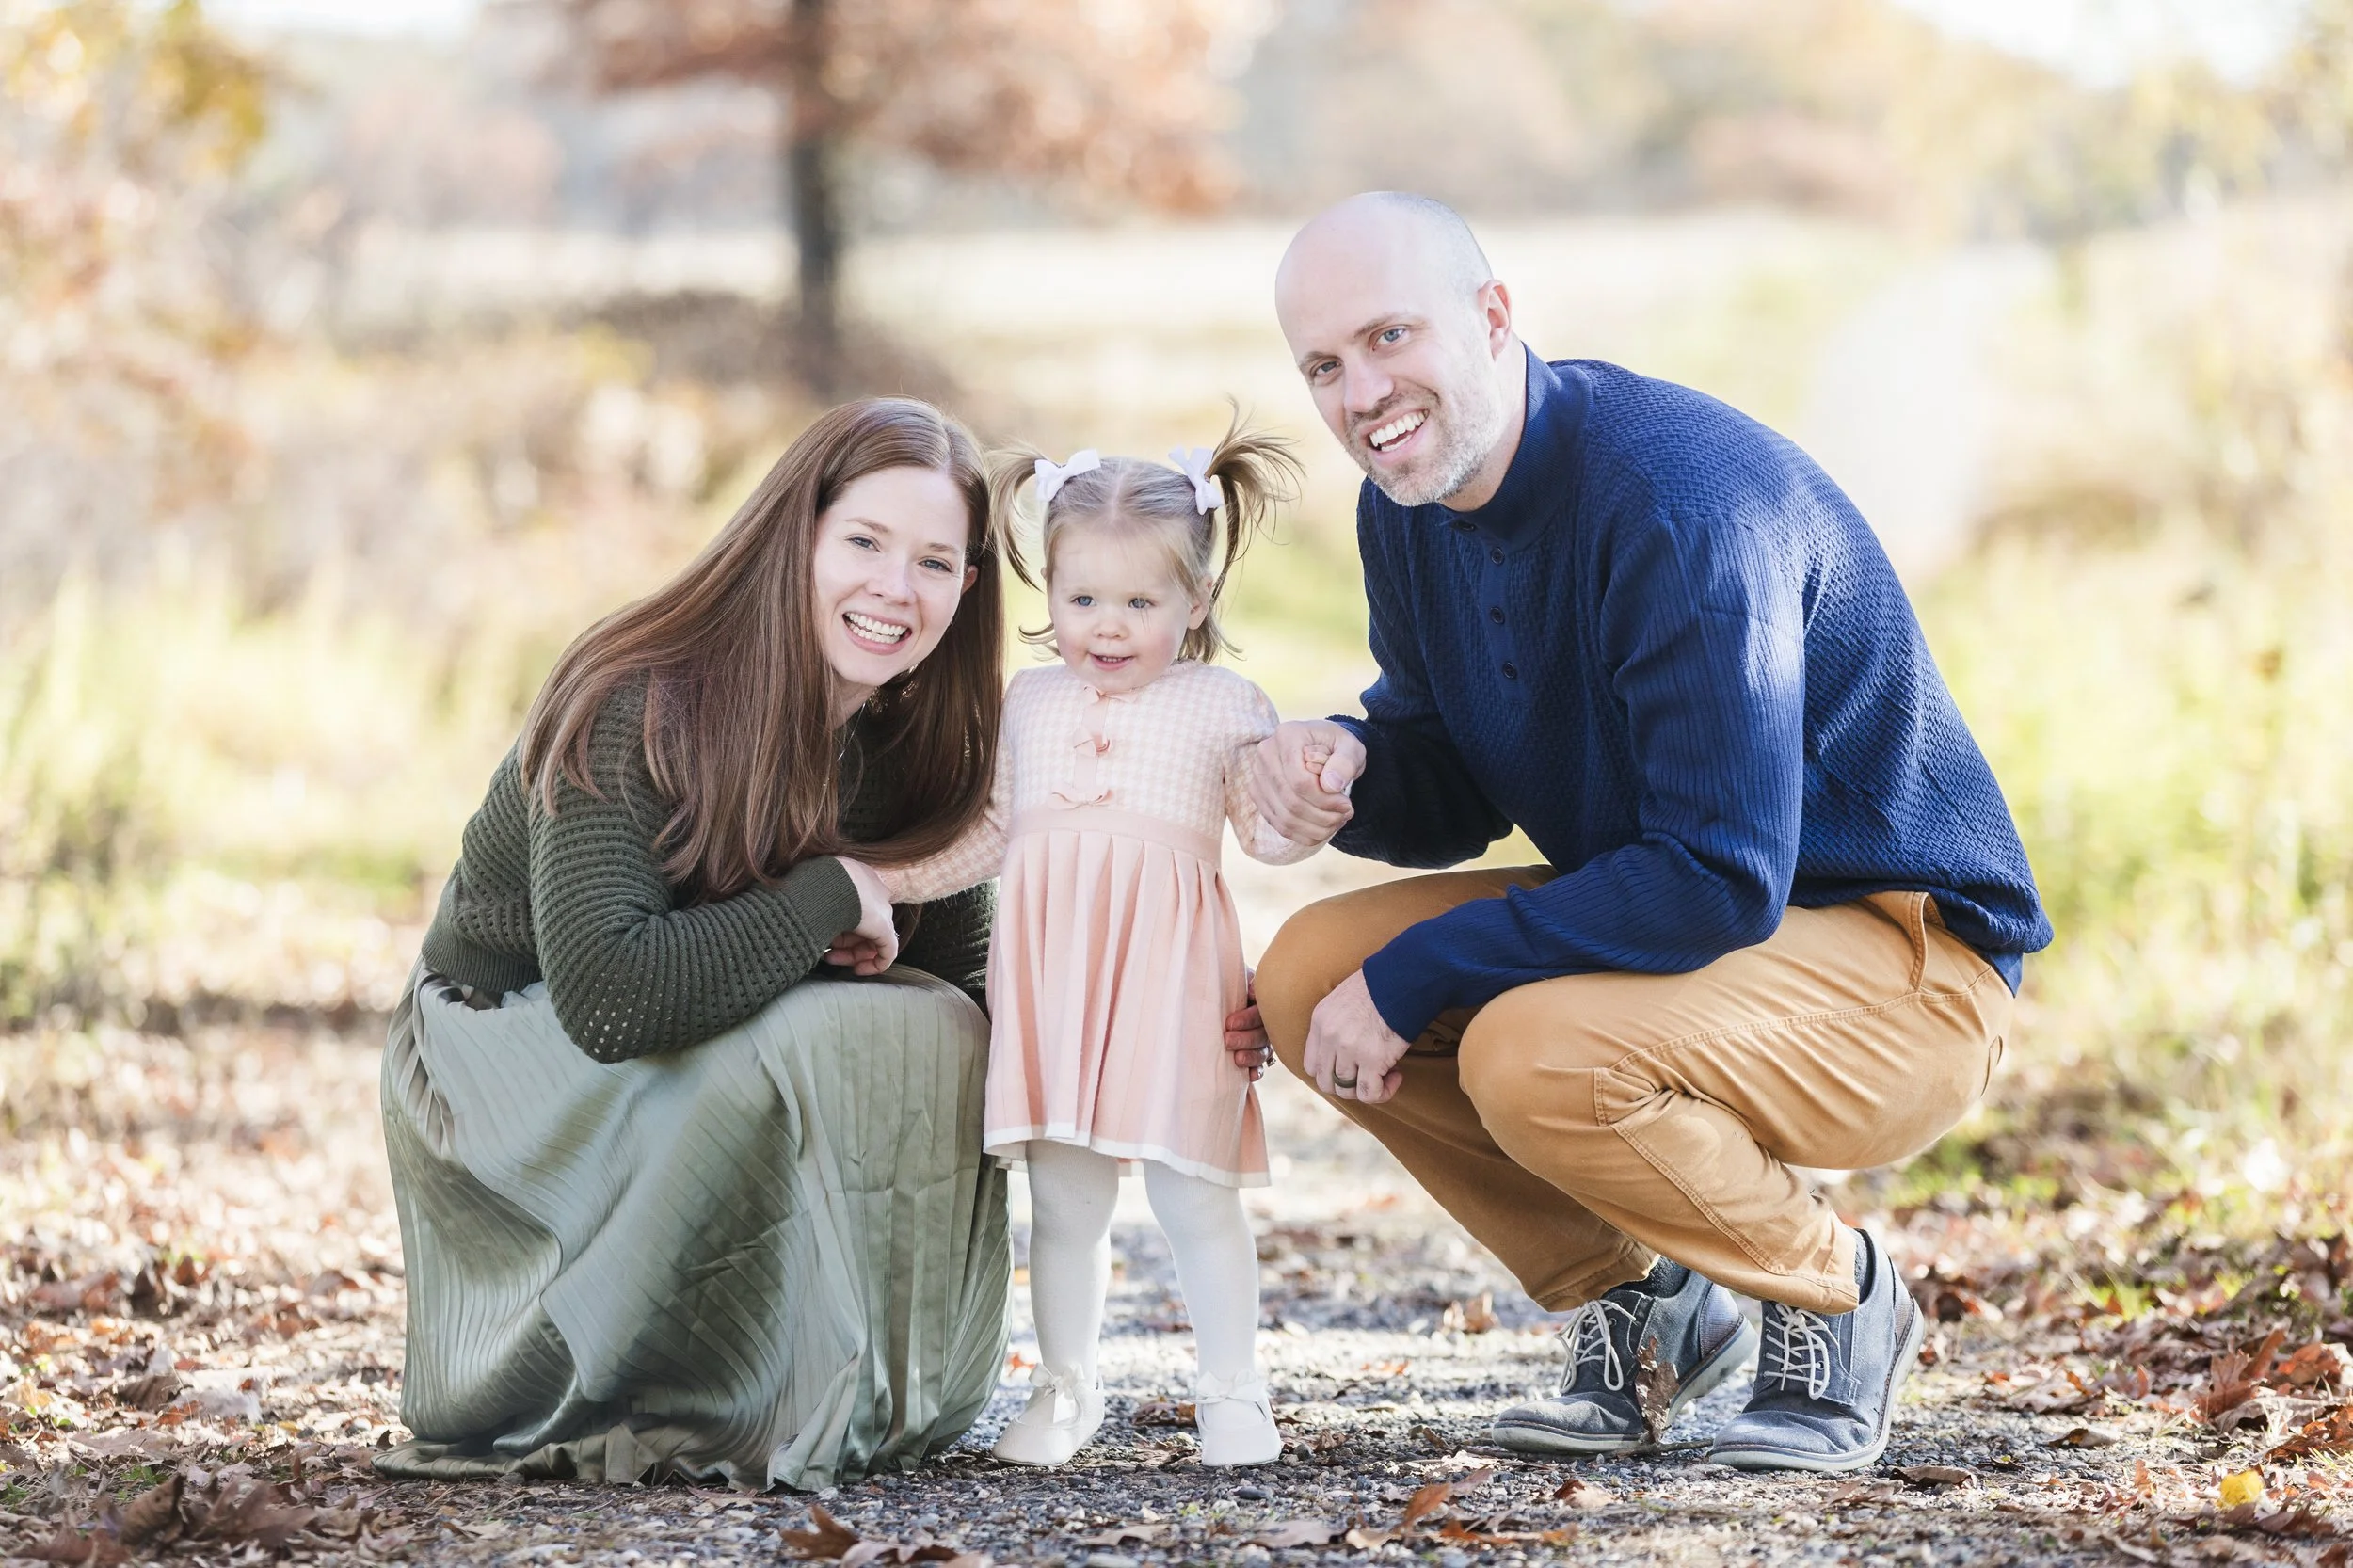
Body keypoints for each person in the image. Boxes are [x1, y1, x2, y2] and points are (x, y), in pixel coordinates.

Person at [1245, 193, 2054, 1475]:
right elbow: (1459, 775)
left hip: (1905, 965)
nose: (1363, 393)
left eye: (1392, 336)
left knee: (1529, 1050)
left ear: (1494, 317)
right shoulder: (1406, 509)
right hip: (1702, 920)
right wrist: (1352, 766)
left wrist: (1421, 975)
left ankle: (1834, 1296)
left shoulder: (1676, 505)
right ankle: (1649, 1306)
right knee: (1304, 978)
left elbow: (1717, 876)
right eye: (1326, 366)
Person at [376, 398, 1017, 1491]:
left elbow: (973, 1001)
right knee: (811, 1027)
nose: (894, 591)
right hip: (500, 1068)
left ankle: (851, 1374)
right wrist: (831, 897)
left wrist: (1162, 1020)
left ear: (967, 590)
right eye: (863, 542)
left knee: (932, 1026)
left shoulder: (920, 745)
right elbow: (611, 998)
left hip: (686, 1048)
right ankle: (654, 1371)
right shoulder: (641, 696)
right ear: (795, 536)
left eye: (935, 563)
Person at [880, 424, 1320, 1469]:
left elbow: (1266, 833)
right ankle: (1068, 1388)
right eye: (1082, 601)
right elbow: (985, 836)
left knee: (1192, 1195)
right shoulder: (1027, 702)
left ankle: (1231, 1391)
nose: (1107, 628)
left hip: (1172, 990)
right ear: (1049, 592)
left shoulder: (1222, 704)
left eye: (1140, 603)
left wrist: (1318, 794)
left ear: (1196, 603)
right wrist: (877, 881)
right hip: (1056, 992)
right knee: (1066, 1205)